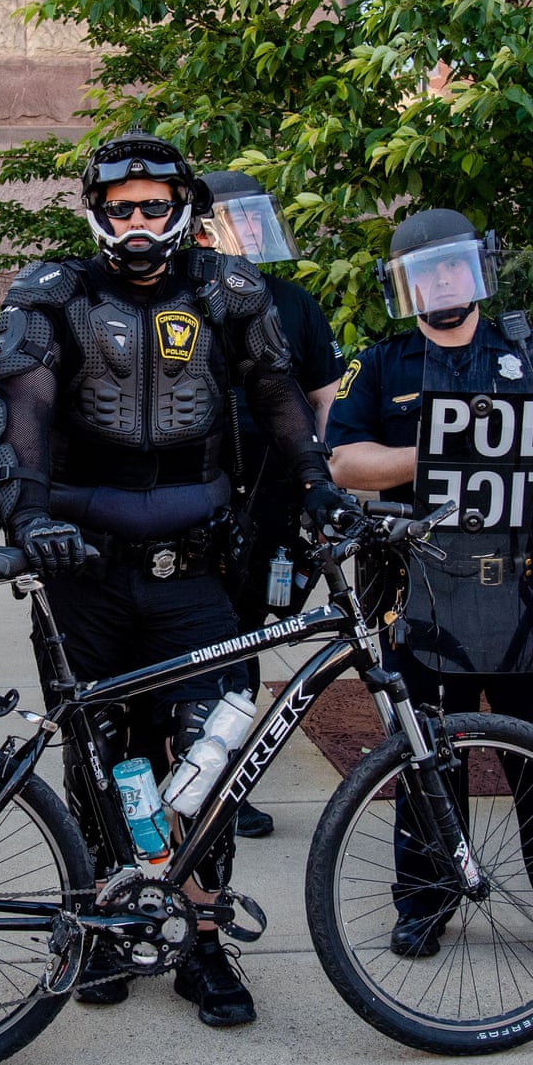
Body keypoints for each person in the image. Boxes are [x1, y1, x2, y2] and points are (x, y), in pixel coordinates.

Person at [0, 130, 360, 1026]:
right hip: (87, 568)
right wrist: (30, 518)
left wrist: (315, 488)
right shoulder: (53, 292)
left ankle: (203, 939)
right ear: (97, 212)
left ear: (182, 208)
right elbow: (21, 407)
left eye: (153, 205)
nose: (138, 221)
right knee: (107, 756)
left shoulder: (230, 290)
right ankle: (104, 926)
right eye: (121, 208)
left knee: (206, 757)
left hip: (195, 568)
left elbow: (277, 396)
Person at [326, 208, 533, 961]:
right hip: (422, 595)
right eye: (425, 272)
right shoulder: (382, 362)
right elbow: (344, 461)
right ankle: (426, 903)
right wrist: (442, 447)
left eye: (453, 267)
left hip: (529, 598)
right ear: (406, 285)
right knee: (426, 765)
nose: (441, 283)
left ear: (477, 268)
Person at [197, 170, 344, 837]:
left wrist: (314, 482)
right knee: (197, 640)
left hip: (274, 502)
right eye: (237, 219)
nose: (250, 231)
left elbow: (323, 399)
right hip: (194, 501)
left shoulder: (294, 303)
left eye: (258, 218)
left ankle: (223, 781)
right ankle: (195, 780)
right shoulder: (180, 298)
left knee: (244, 637)